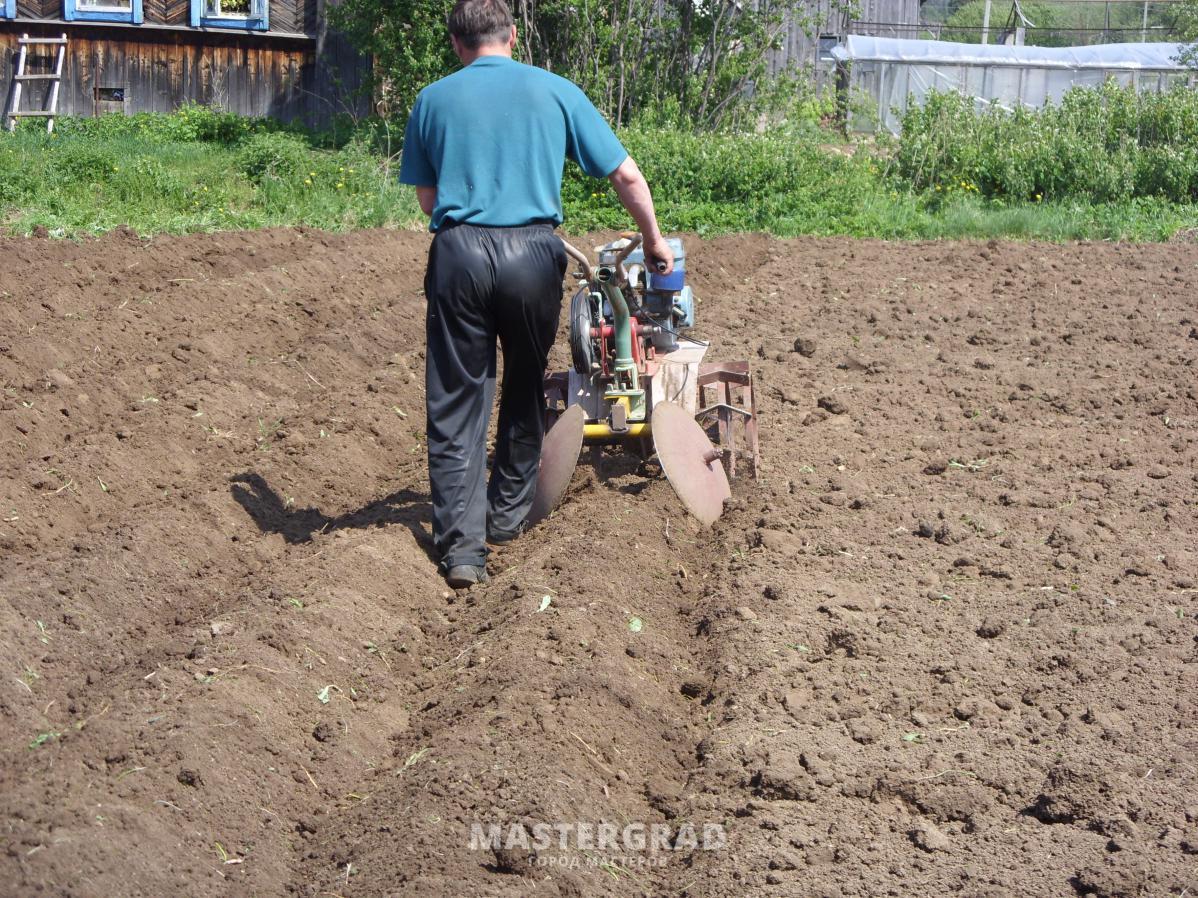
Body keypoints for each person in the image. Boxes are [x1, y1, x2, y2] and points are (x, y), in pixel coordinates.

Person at [399, 0, 673, 589]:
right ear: (514, 36)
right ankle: (505, 517)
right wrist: (652, 239)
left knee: (457, 399)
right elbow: (625, 174)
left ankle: (463, 552)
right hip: (533, 254)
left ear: (455, 43)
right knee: (524, 382)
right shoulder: (556, 90)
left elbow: (428, 200)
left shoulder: (433, 99)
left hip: (460, 253)